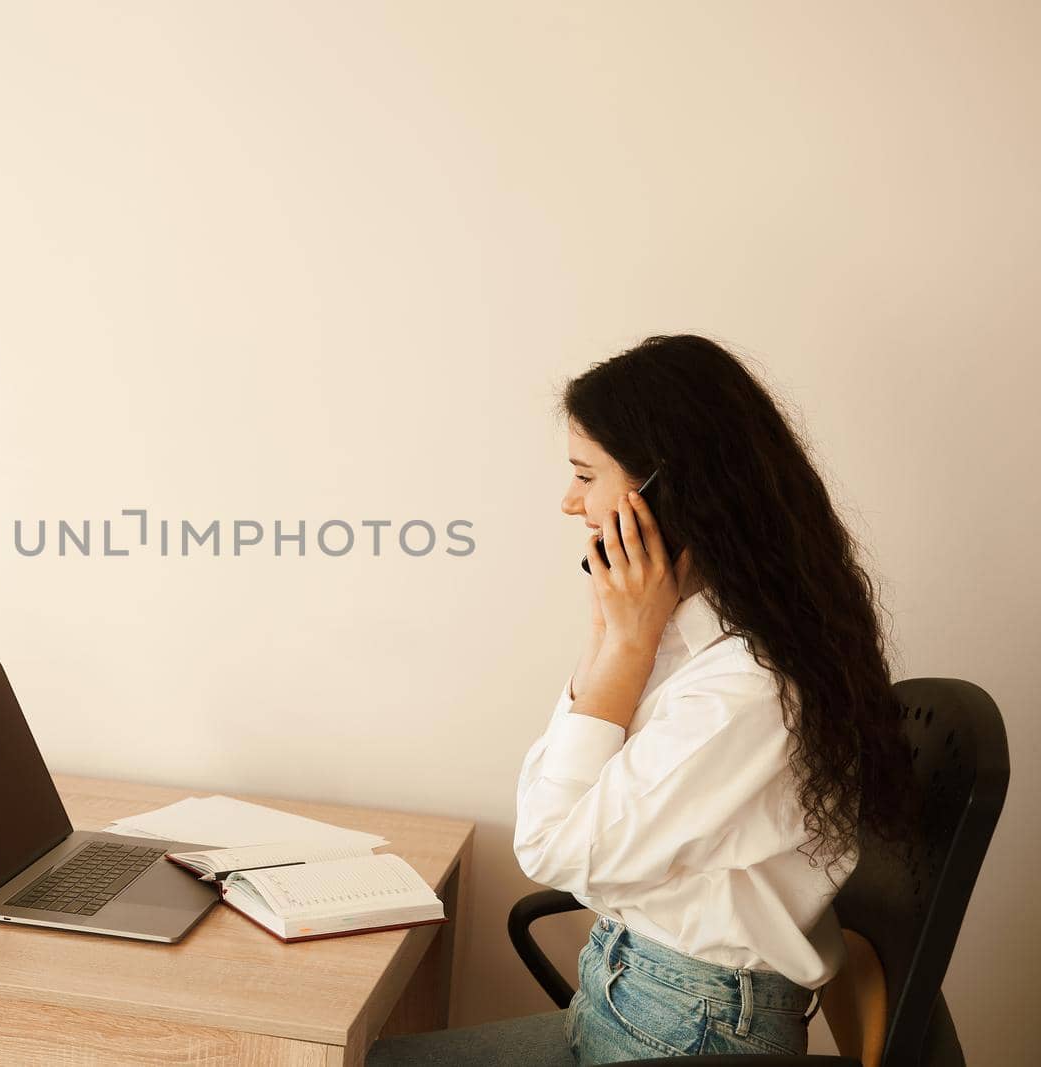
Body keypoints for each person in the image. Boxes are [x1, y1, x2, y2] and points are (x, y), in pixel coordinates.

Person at [367, 334, 915, 1065]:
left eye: (586, 475)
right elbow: (551, 813)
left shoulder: (747, 690)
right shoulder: (687, 645)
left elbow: (547, 843)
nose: (569, 501)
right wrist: (611, 637)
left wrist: (620, 650)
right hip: (631, 994)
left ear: (667, 489)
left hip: (689, 1028)